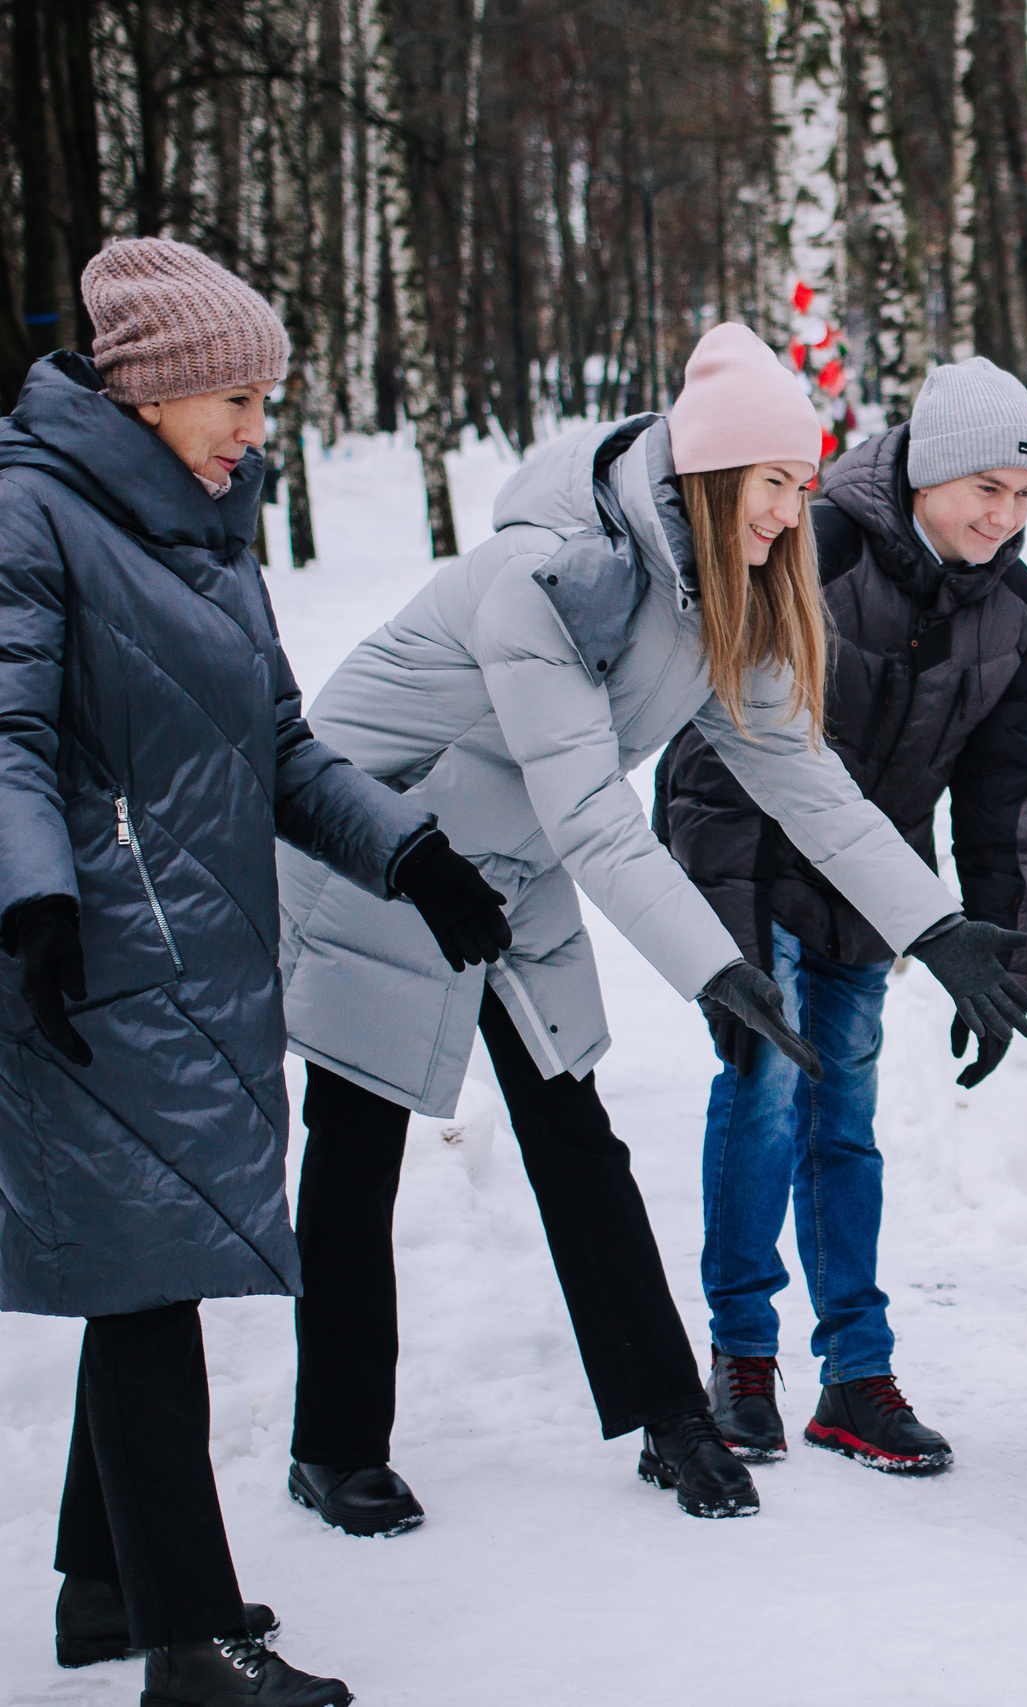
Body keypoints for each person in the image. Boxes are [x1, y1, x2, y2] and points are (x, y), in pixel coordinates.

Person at [275, 324, 1027, 1529]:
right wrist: (719, 965)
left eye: (803, 481)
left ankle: (671, 1422)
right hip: (382, 846)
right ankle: (332, 1446)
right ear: (712, 474)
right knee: (358, 1147)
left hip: (508, 862)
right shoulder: (556, 574)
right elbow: (594, 814)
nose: (795, 511)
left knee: (575, 1135)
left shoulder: (721, 593)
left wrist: (937, 928)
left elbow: (805, 778)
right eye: (777, 483)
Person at [1, 240, 510, 1706]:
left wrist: (412, 857)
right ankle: (191, 1637)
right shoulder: (33, 514)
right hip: (86, 958)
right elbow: (8, 738)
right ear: (150, 391)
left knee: (141, 1271)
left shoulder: (205, 527)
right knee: (150, 1282)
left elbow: (280, 747)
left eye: (263, 397)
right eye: (235, 395)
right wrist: (31, 901)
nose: (255, 427)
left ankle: (107, 1586)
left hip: (195, 958)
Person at [657, 355, 1027, 1472]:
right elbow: (705, 750)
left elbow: (1001, 792)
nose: (1005, 516)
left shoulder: (1009, 604)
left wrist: (999, 955)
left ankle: (854, 1376)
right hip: (756, 872)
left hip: (877, 901)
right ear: (925, 472)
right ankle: (740, 1354)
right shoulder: (811, 549)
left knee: (845, 1127)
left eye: (1024, 496)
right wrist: (723, 948)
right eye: (986, 489)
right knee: (765, 1096)